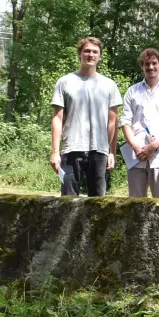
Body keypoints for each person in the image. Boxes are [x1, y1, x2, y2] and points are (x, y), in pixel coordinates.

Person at [49, 36, 122, 197]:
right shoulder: (65, 82)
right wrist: (55, 151)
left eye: (95, 52)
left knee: (98, 205)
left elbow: (112, 122)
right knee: (67, 202)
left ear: (100, 56)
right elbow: (57, 119)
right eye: (87, 51)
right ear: (79, 54)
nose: (91, 54)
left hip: (99, 150)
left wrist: (112, 152)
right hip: (71, 149)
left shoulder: (109, 85)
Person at [120, 47, 159, 199]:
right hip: (136, 155)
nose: (151, 67)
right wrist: (136, 147)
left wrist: (152, 147)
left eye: (154, 63)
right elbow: (125, 122)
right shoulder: (132, 91)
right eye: (146, 64)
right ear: (142, 67)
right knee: (135, 202)